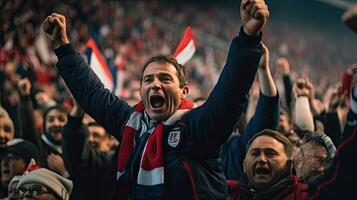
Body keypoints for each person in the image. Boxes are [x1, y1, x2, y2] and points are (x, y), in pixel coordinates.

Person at [42, 0, 269, 198]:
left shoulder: (197, 127)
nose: (155, 84)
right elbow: (93, 94)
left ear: (183, 92)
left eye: (164, 78)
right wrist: (63, 48)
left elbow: (230, 95)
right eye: (148, 80)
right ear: (141, 90)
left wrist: (248, 40)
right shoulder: (132, 124)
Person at [221, 43, 280, 180]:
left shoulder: (234, 151)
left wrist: (263, 70)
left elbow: (265, 119)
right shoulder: (188, 144)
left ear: (234, 130)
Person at [227, 129, 309, 200]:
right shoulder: (227, 191)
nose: (261, 159)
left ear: (288, 166)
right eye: (255, 153)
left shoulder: (306, 195)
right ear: (244, 164)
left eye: (270, 154)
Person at [62, 100, 117, 200]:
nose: (91, 139)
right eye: (88, 136)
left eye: (96, 135)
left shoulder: (117, 163)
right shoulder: (81, 164)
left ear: (109, 140)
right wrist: (77, 111)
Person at [17, 78, 70, 178]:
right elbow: (28, 126)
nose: (56, 124)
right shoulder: (39, 146)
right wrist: (24, 98)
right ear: (44, 126)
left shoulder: (76, 150)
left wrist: (64, 172)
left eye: (61, 119)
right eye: (50, 120)